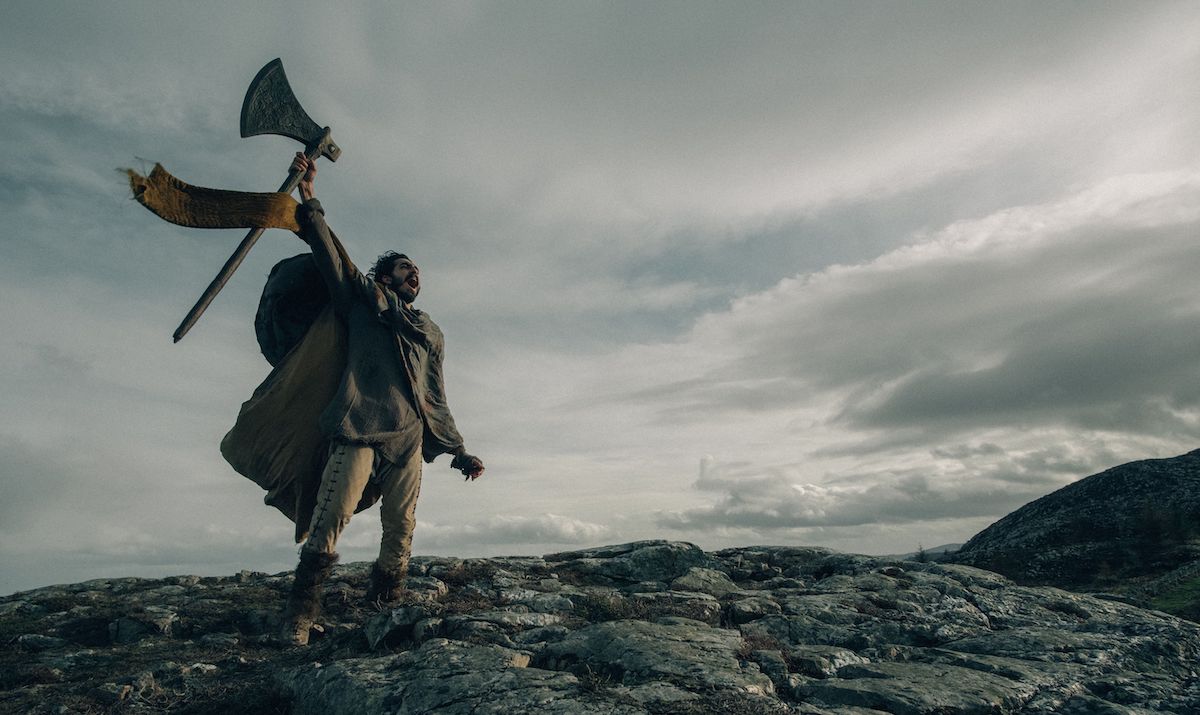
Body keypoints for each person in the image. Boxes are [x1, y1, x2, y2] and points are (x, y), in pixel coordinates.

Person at [279, 152, 485, 646]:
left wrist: (457, 451)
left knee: (401, 527)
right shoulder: (361, 301)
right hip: (359, 426)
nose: (414, 274)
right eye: (403, 268)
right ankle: (299, 616)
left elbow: (433, 392)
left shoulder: (428, 329)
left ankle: (385, 605)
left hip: (408, 438)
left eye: (417, 269)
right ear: (385, 276)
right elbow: (332, 256)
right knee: (331, 517)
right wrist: (310, 197)